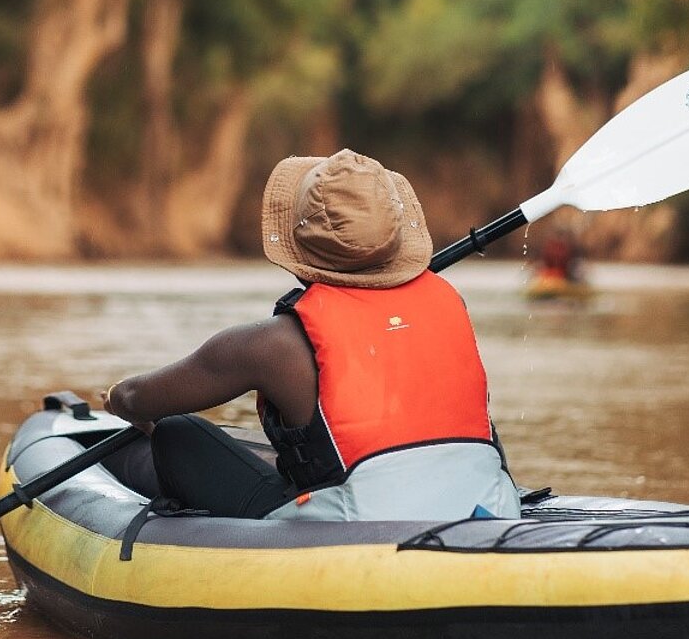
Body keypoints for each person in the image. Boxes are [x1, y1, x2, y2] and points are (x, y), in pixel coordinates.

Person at [104, 149, 520, 522]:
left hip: (356, 523)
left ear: (301, 251)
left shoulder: (271, 345)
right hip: (488, 504)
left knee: (176, 433)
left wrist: (116, 398)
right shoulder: (450, 303)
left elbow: (136, 399)